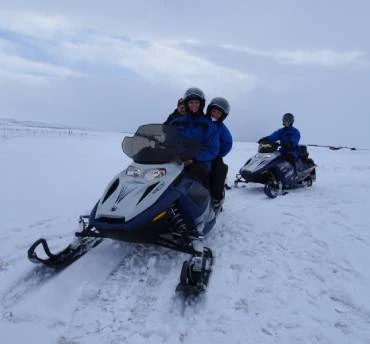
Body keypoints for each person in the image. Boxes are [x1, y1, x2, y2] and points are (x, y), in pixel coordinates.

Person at [169, 87, 219, 190]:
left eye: (197, 102)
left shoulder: (209, 125)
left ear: (201, 104)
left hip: (199, 161)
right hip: (177, 159)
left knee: (197, 171)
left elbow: (212, 149)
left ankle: (205, 200)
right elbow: (168, 140)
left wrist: (194, 158)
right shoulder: (176, 122)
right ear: (187, 104)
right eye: (191, 102)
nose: (194, 105)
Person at [206, 97, 233, 209]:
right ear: (209, 110)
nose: (215, 114)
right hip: (196, 152)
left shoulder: (221, 128)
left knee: (219, 170)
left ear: (222, 116)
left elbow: (227, 143)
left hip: (213, 155)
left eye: (218, 113)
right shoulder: (202, 121)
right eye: (214, 111)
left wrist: (217, 154)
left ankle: (217, 197)